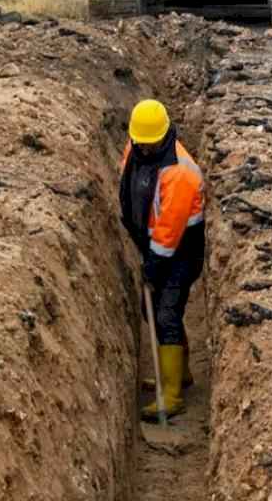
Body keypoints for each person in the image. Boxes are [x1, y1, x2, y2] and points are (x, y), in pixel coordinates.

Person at [118, 99, 205, 422]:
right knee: (152, 309)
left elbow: (169, 231)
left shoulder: (180, 173)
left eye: (148, 143)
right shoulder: (137, 147)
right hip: (154, 245)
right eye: (139, 143)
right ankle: (177, 373)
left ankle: (172, 395)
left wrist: (153, 267)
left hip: (181, 250)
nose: (142, 148)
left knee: (166, 312)